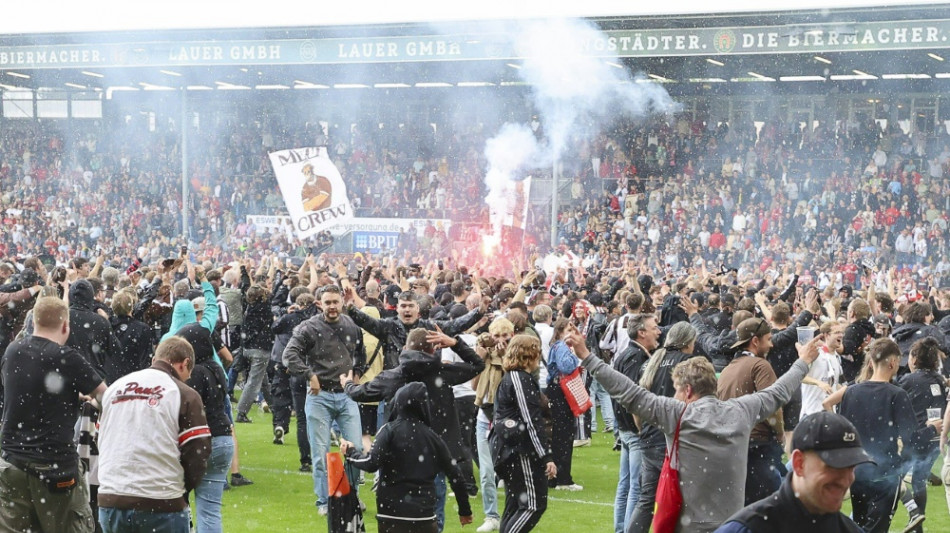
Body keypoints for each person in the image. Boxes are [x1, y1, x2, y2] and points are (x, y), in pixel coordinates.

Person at [569, 327, 822, 532]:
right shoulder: (742, 410)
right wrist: (803, 362)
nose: (675, 395)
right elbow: (779, 392)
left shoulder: (677, 413)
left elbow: (629, 392)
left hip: (689, 526)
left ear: (688, 390)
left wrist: (587, 356)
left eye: (677, 389)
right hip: (732, 525)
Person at [342, 326, 484, 531]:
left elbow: (360, 393)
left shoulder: (396, 375)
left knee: (394, 508)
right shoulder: (442, 371)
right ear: (434, 348)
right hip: (435, 449)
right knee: (433, 510)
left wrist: (347, 384)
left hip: (397, 450)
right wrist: (455, 343)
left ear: (406, 347)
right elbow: (477, 365)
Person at [0, 296, 106, 533]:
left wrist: (70, 395)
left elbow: (26, 389)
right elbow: (104, 396)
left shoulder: (13, 350)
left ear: (34, 320)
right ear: (65, 326)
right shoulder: (66, 357)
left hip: (12, 465)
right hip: (53, 466)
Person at [96, 336, 212, 533]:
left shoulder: (114, 388)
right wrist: (181, 489)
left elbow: (101, 440)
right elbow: (198, 452)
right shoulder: (184, 394)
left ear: (154, 359)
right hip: (161, 503)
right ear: (184, 364)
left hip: (111, 498)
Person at [341, 382, 473, 533]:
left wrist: (351, 452)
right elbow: (456, 476)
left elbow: (371, 463)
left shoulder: (389, 430)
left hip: (391, 515)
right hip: (424, 517)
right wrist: (465, 511)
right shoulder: (433, 438)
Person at [713, 411, 873, 533]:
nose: (845, 480)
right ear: (799, 463)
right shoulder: (749, 528)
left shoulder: (850, 530)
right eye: (835, 465)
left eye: (851, 467)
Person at [282, 284, 366, 516]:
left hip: (346, 395)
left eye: (335, 302)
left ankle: (351, 498)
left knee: (356, 449)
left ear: (341, 301)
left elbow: (360, 353)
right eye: (327, 302)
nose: (331, 306)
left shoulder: (351, 324)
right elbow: (288, 355)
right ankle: (324, 501)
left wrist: (357, 374)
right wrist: (310, 375)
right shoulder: (308, 327)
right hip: (319, 397)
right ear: (320, 303)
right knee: (320, 454)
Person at [836, 338, 917, 533]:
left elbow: (844, 434)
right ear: (893, 363)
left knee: (862, 526)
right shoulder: (896, 395)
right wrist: (933, 430)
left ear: (871, 362)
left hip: (858, 473)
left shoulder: (850, 392)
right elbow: (911, 439)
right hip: (884, 474)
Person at [627, 320, 697, 533]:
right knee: (683, 499)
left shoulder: (650, 363)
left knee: (647, 499)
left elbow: (637, 405)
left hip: (650, 437)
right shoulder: (690, 363)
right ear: (688, 342)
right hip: (676, 438)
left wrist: (642, 430)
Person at [717, 317, 787, 505]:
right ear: (755, 340)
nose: (771, 345)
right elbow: (773, 407)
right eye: (769, 339)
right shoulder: (760, 365)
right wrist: (780, 433)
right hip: (759, 447)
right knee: (770, 511)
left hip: (733, 447)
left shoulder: (726, 370)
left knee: (744, 511)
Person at [490, 335, 556, 533]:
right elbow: (531, 421)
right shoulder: (520, 379)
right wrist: (546, 456)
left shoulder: (516, 378)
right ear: (531, 354)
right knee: (533, 505)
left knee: (514, 504)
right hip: (519, 451)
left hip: (510, 449)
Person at [179, 323, 235, 533]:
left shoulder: (195, 374)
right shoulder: (216, 368)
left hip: (202, 441)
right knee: (210, 509)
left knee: (176, 503)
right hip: (223, 439)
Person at [610, 313, 661, 533]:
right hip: (632, 430)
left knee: (626, 485)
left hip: (625, 429)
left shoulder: (627, 353)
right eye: (654, 327)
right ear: (642, 332)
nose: (658, 331)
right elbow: (632, 397)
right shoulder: (635, 357)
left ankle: (621, 528)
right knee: (636, 488)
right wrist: (639, 428)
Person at [896, 337, 947, 532]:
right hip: (935, 440)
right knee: (918, 480)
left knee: (892, 477)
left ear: (914, 359)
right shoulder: (938, 379)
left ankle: (910, 514)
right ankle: (918, 525)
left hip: (916, 437)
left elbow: (895, 402)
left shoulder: (909, 379)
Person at [544, 317, 584, 491]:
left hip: (556, 391)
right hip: (560, 392)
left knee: (560, 435)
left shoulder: (557, 346)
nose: (571, 334)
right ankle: (563, 479)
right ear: (560, 331)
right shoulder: (561, 347)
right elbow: (566, 367)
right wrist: (576, 356)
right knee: (563, 435)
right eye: (569, 330)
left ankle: (555, 477)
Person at [235, 285, 275, 423]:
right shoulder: (264, 309)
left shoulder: (248, 307)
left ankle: (274, 407)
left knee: (263, 381)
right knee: (253, 383)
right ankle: (241, 412)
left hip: (248, 348)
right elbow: (272, 296)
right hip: (260, 349)